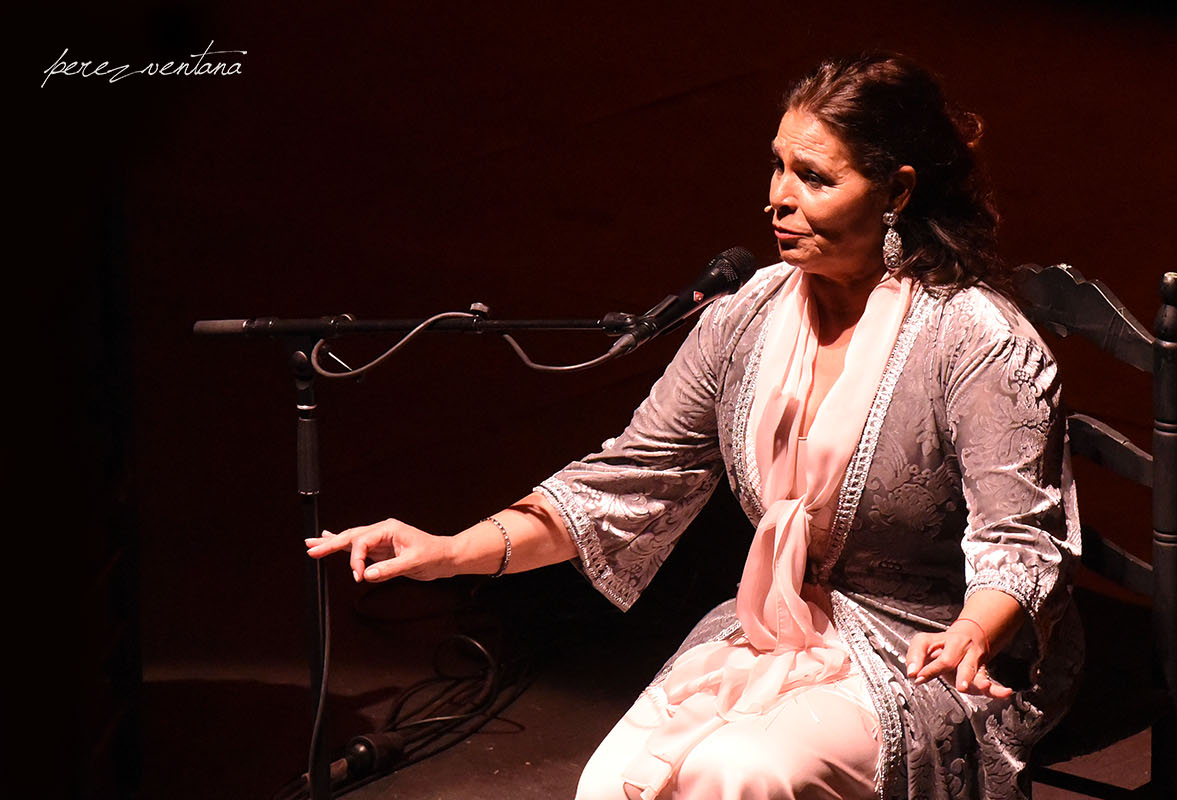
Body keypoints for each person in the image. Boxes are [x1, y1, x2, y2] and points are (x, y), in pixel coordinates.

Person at [306, 52, 1082, 800]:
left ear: (897, 190)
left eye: (814, 177)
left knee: (740, 774)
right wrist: (448, 553)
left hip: (928, 650)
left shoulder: (977, 342)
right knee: (613, 784)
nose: (777, 196)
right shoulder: (745, 316)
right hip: (784, 629)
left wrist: (974, 631)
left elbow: (1019, 540)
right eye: (779, 165)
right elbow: (629, 482)